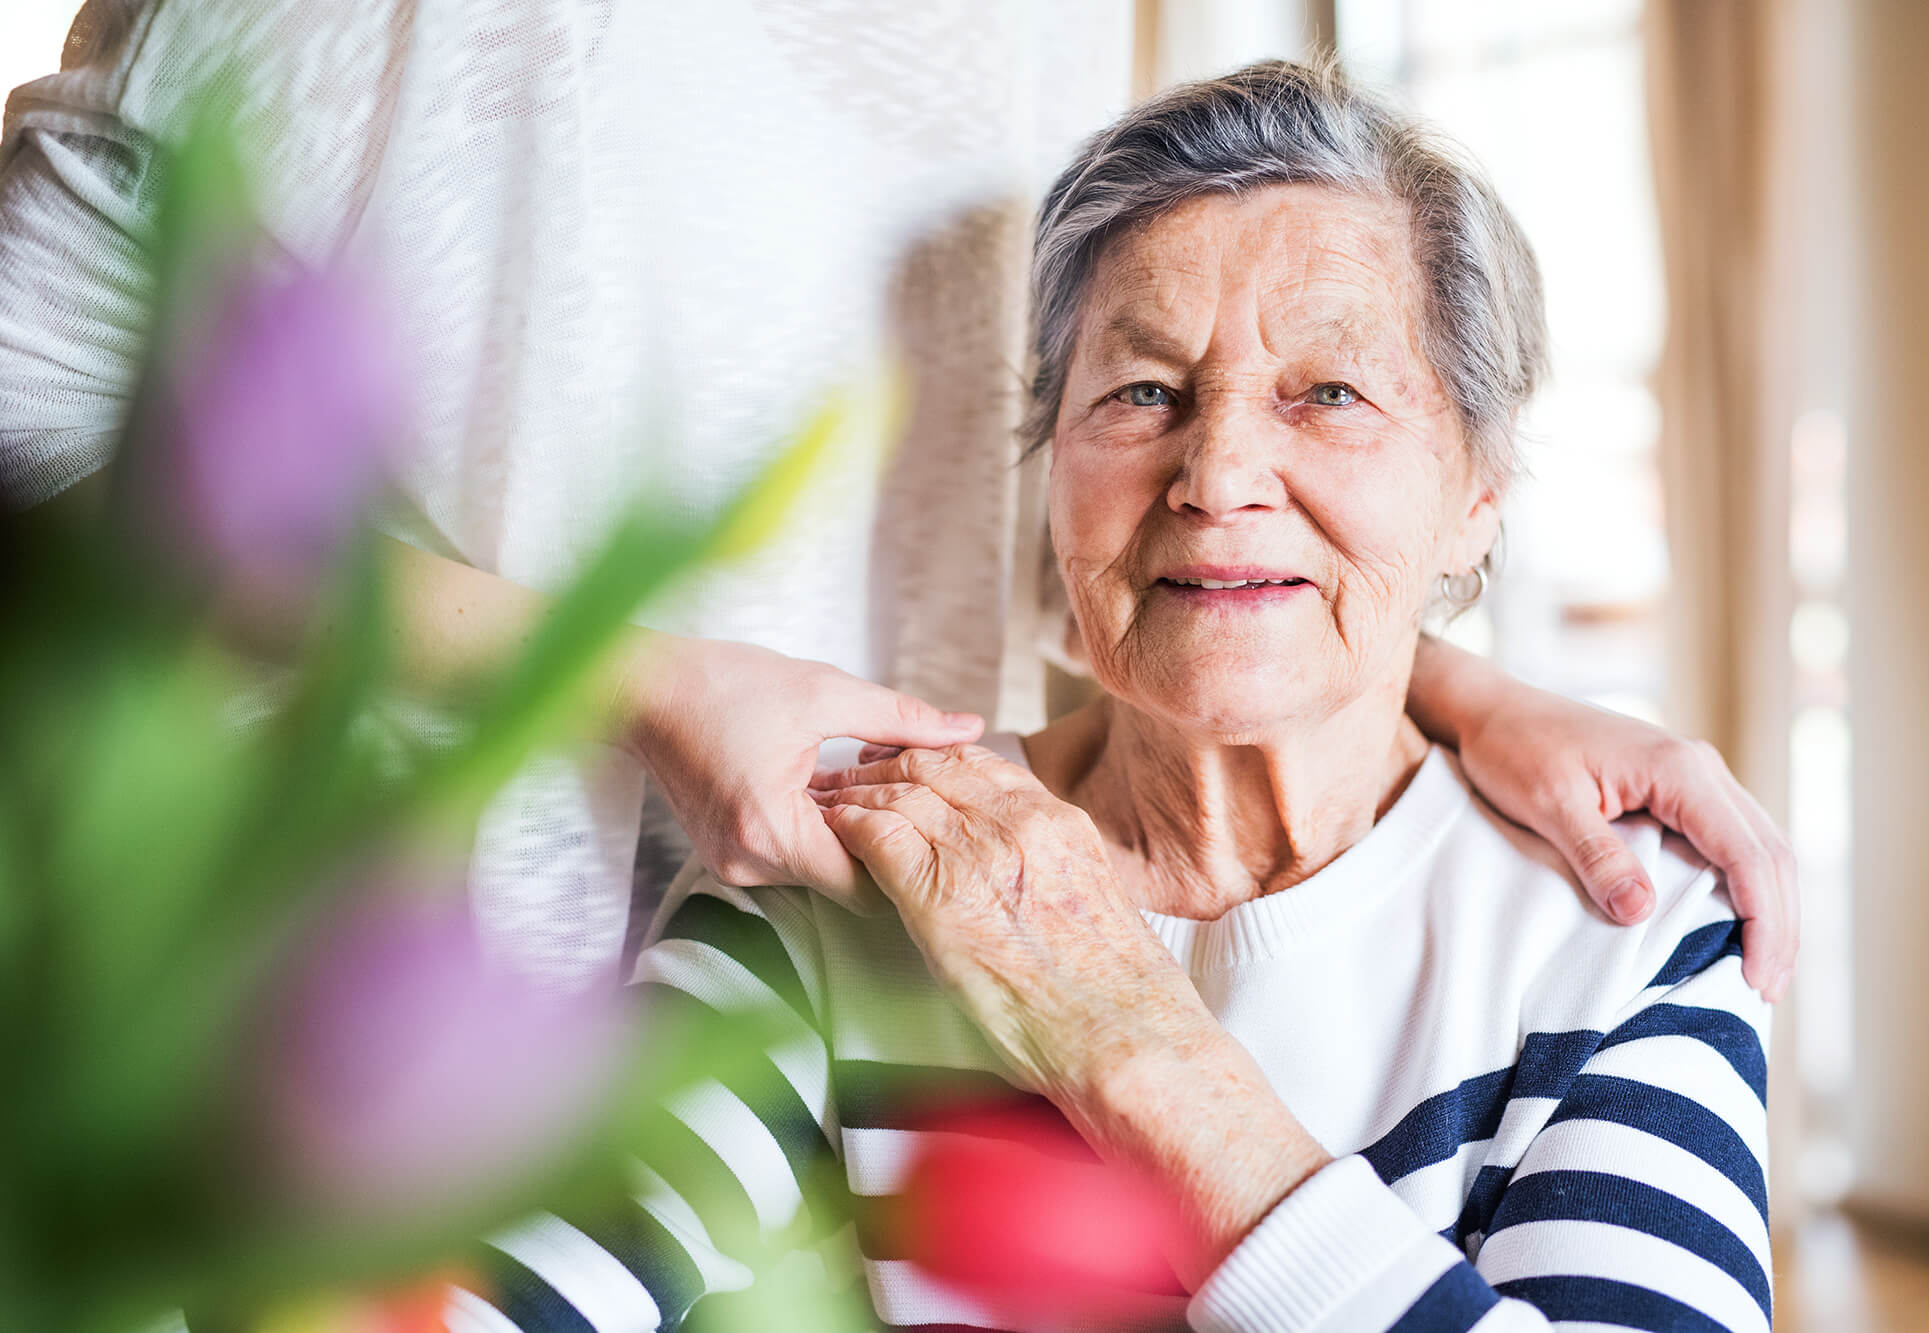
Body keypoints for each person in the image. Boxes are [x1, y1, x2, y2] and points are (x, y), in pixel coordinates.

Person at [0, 1, 1794, 1000]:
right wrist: (637, 678)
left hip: (831, 1059)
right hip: (329, 1052)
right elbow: (36, 435)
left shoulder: (1031, 36)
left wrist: (1449, 677)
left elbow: (1076, 526)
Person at [467, 60, 1773, 1332]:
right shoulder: (847, 872)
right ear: (1051, 474)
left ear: (1477, 495)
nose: (1217, 472)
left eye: (1328, 391)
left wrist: (1118, 1029)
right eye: (1142, 392)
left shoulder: (1619, 922)